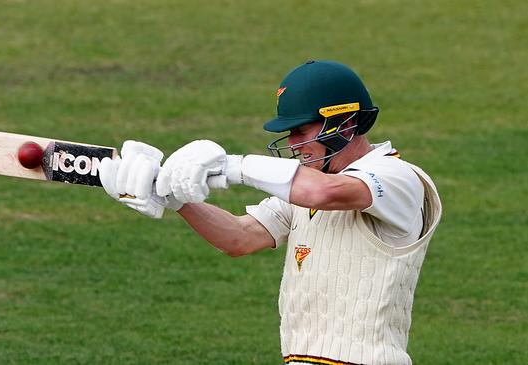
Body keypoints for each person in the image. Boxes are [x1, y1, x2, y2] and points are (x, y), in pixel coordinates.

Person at [98, 60, 442, 365]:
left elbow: (321, 193)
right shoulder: (303, 189)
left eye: (301, 131)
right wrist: (176, 199)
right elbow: (240, 237)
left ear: (346, 124)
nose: (293, 144)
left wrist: (234, 166)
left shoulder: (398, 177)